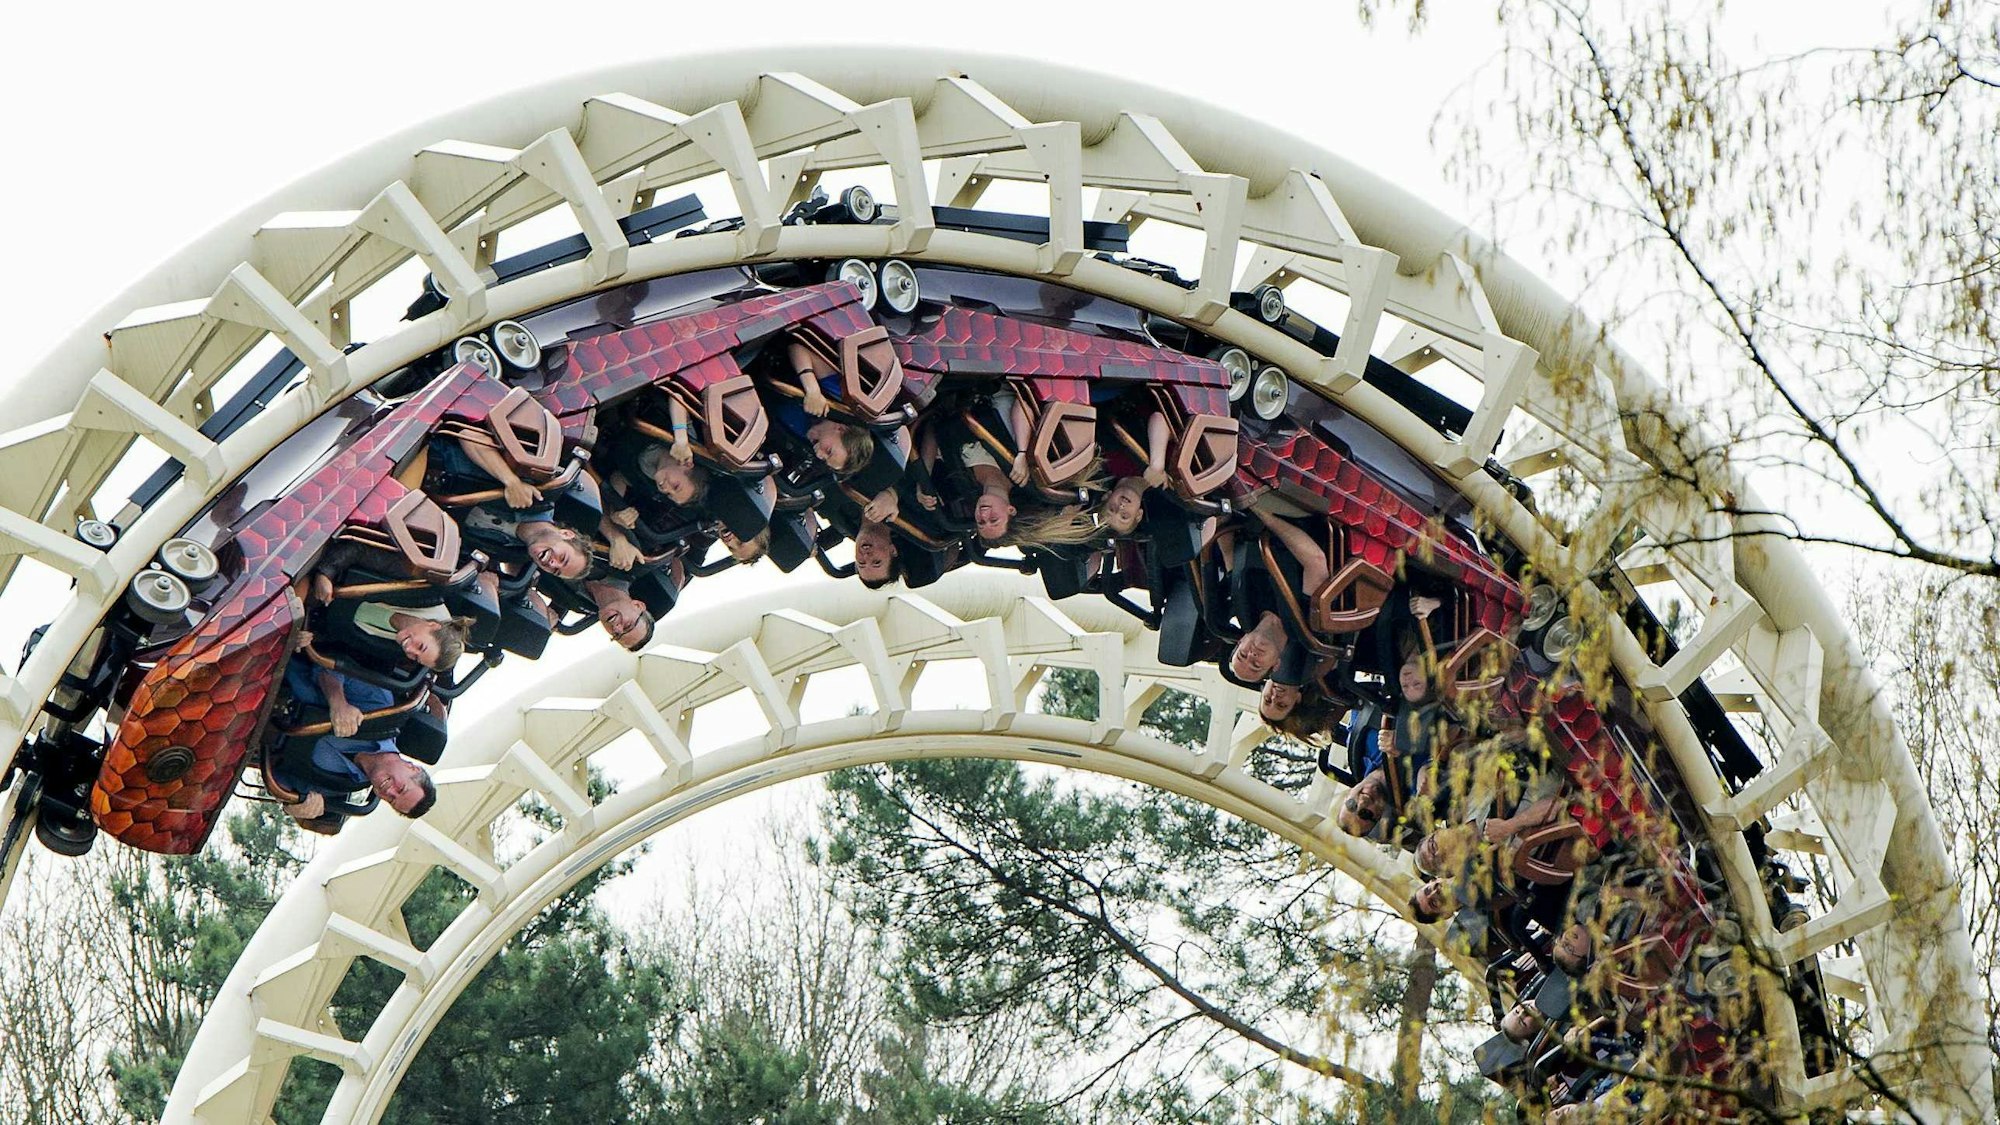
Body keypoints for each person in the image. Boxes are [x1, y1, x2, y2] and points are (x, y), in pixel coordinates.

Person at [273, 653, 438, 825]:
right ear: (412, 768)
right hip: (277, 665)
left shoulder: (340, 785)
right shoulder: (382, 711)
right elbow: (328, 664)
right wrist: (338, 702)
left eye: (391, 800)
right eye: (401, 789)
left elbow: (280, 778)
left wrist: (292, 806)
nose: (390, 791)